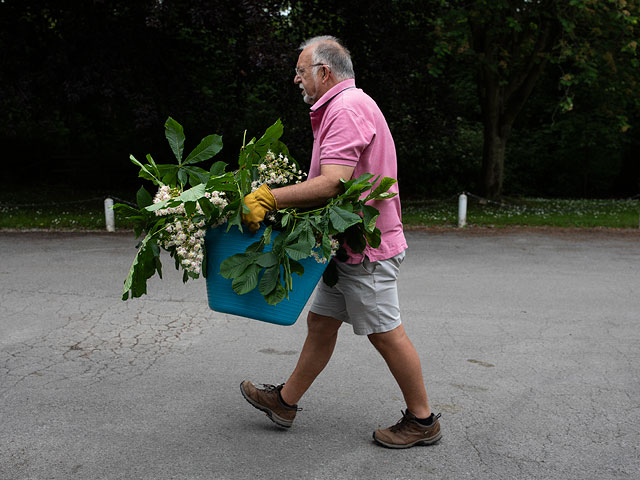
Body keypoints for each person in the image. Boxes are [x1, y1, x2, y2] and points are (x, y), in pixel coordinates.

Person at [240, 35, 441, 449]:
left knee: (386, 333)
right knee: (321, 323)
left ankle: (422, 421)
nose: (296, 78)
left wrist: (268, 198)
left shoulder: (346, 109)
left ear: (324, 72)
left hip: (366, 246)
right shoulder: (345, 106)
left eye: (300, 71)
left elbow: (331, 184)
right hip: (347, 246)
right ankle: (285, 402)